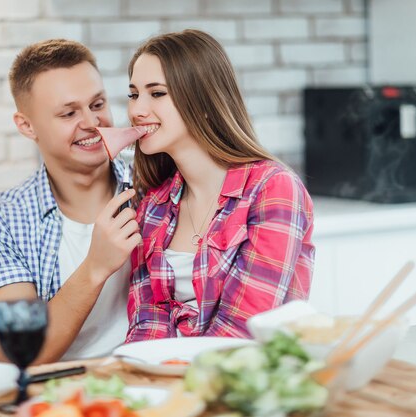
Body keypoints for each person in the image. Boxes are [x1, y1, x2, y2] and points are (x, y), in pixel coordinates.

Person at [125, 29, 314, 341]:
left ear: (203, 101)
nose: (136, 110)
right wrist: (146, 377)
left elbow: (242, 329)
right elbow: (148, 322)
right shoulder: (153, 206)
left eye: (156, 93)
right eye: (133, 94)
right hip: (172, 379)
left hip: (246, 378)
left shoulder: (273, 190)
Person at [0, 39, 141, 363]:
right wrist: (95, 267)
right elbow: (17, 356)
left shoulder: (154, 188)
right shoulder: (1, 223)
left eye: (97, 104)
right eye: (69, 112)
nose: (91, 122)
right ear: (27, 126)